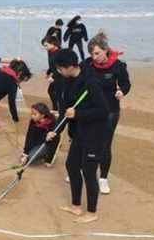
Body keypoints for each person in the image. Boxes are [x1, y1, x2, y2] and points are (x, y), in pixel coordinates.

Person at [47, 49, 109, 223]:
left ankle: (91, 212)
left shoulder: (91, 82)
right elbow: (65, 111)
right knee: (72, 165)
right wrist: (55, 130)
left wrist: (78, 114)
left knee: (89, 172)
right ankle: (76, 206)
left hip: (94, 133)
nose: (58, 72)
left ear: (68, 67)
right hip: (79, 132)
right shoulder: (68, 81)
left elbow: (103, 111)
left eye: (60, 68)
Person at [84, 31, 131, 194]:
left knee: (104, 144)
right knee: (87, 140)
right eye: (91, 53)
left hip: (110, 110)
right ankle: (84, 170)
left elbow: (126, 84)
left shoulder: (118, 65)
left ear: (105, 50)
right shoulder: (87, 64)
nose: (94, 57)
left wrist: (122, 92)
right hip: (90, 109)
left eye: (97, 53)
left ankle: (103, 178)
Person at [21, 103, 60, 167]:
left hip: (47, 144)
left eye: (34, 114)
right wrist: (25, 152)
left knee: (31, 157)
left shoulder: (52, 123)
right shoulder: (33, 121)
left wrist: (49, 160)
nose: (32, 116)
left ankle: (46, 155)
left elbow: (55, 141)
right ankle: (35, 153)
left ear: (42, 115)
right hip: (36, 143)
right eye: (31, 114)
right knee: (28, 158)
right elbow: (29, 136)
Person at [42, 36, 63, 111]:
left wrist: (53, 77)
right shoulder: (50, 52)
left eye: (46, 45)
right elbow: (52, 65)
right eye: (44, 46)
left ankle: (59, 110)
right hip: (56, 75)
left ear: (53, 44)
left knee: (57, 92)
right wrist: (48, 72)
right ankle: (56, 108)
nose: (45, 48)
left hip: (62, 76)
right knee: (52, 91)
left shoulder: (60, 53)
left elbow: (60, 68)